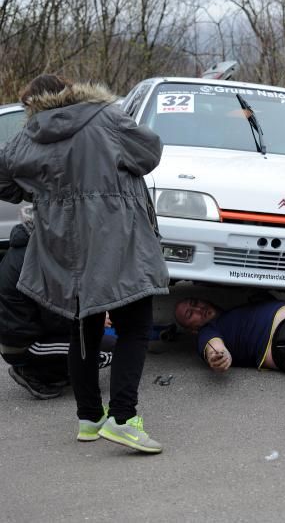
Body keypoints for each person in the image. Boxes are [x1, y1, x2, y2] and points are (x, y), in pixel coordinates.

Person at [0, 74, 169, 454]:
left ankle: (89, 417)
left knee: (83, 329)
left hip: (65, 249)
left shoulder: (27, 136)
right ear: (71, 90)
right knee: (136, 328)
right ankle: (124, 419)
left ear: (32, 104)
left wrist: (39, 190)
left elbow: (4, 177)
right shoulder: (104, 118)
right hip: (118, 240)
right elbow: (150, 152)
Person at [0, 217, 113, 400]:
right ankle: (33, 373)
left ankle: (57, 371)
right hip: (24, 344)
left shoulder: (27, 248)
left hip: (19, 335)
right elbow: (55, 316)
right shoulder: (35, 259)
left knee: (91, 338)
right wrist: (91, 319)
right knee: (105, 350)